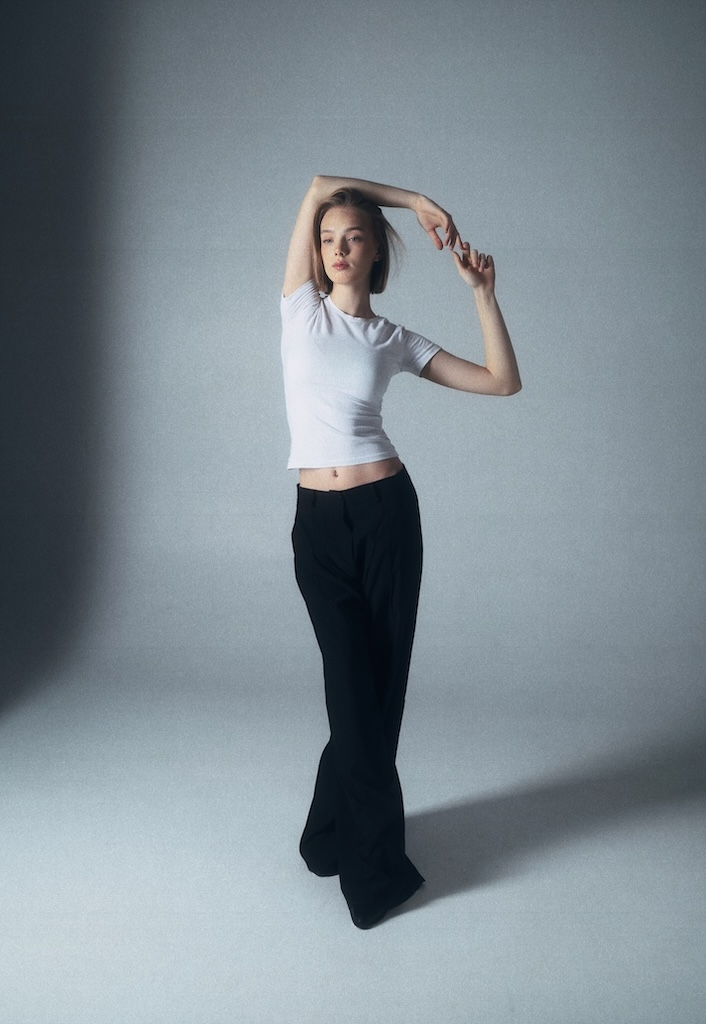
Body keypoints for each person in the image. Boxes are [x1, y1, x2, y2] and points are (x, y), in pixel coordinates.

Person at [281, 175, 521, 929]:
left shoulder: (392, 339)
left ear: (375, 255)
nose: (338, 249)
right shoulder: (300, 310)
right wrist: (415, 201)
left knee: (377, 694)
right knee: (352, 691)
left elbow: (502, 381)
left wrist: (482, 294)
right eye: (328, 239)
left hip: (387, 517)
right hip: (318, 528)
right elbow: (319, 184)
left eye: (353, 238)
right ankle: (373, 874)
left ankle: (330, 838)